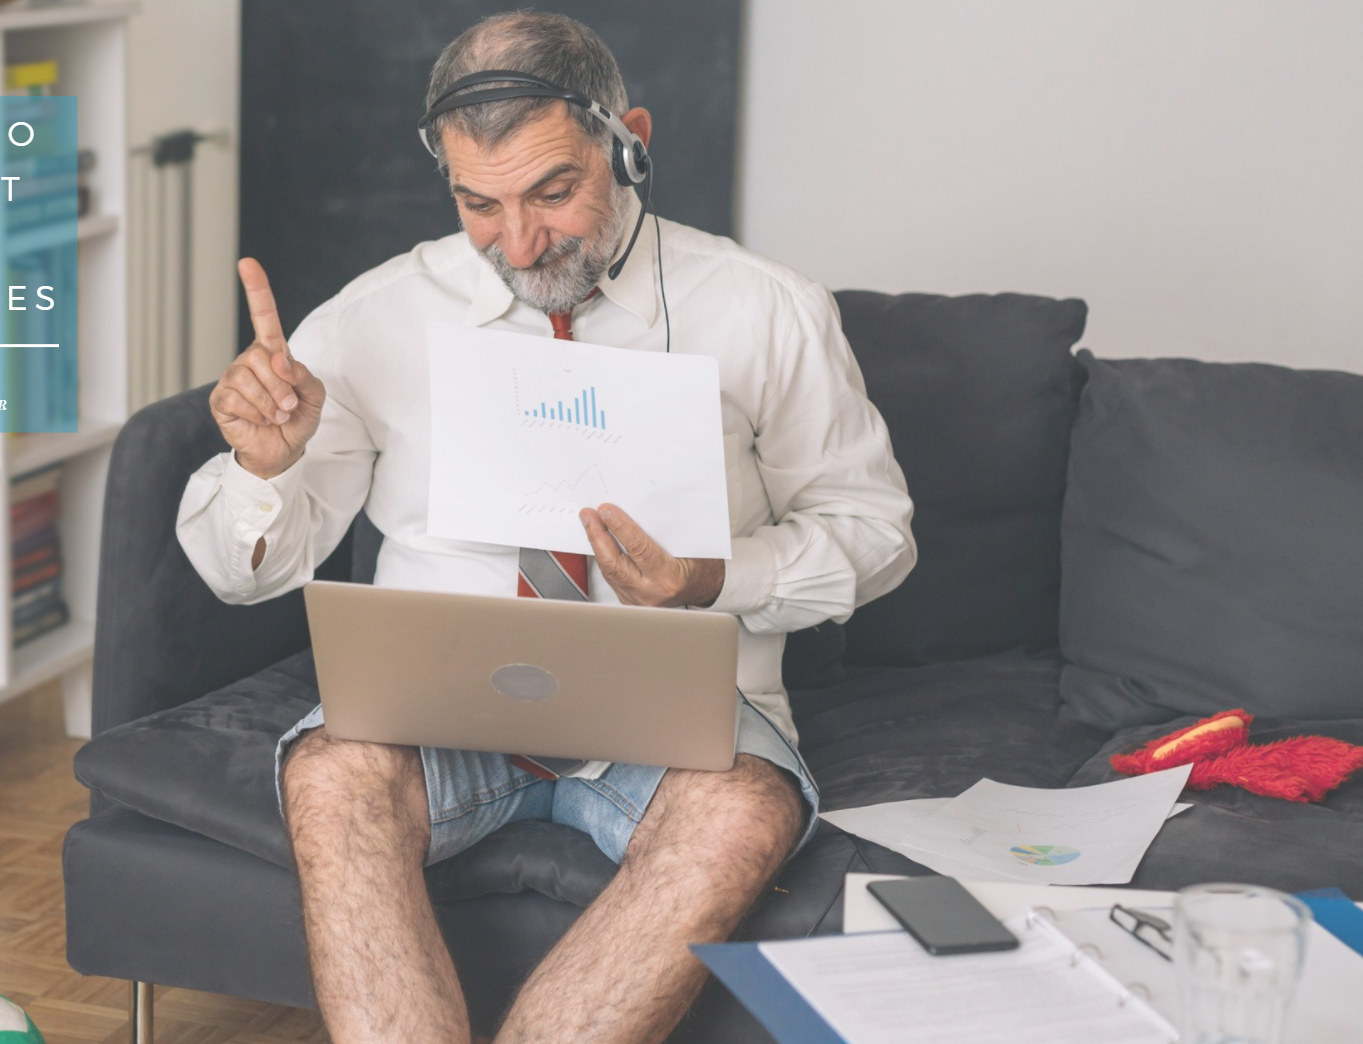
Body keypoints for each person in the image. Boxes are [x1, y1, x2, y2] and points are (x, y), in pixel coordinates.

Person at [176, 11, 915, 1044]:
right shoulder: (376, 315)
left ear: (631, 142)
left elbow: (875, 532)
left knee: (745, 811)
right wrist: (264, 468)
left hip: (673, 722)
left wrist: (721, 579)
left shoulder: (767, 310)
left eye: (553, 193)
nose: (517, 244)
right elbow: (238, 573)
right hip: (437, 713)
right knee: (332, 773)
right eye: (479, 204)